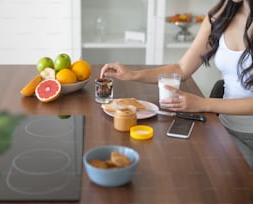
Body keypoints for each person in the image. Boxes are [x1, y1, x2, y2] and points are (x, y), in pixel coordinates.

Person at [100, 0, 253, 169]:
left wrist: (203, 104)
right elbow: (182, 68)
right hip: (225, 129)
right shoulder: (220, 16)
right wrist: (132, 74)